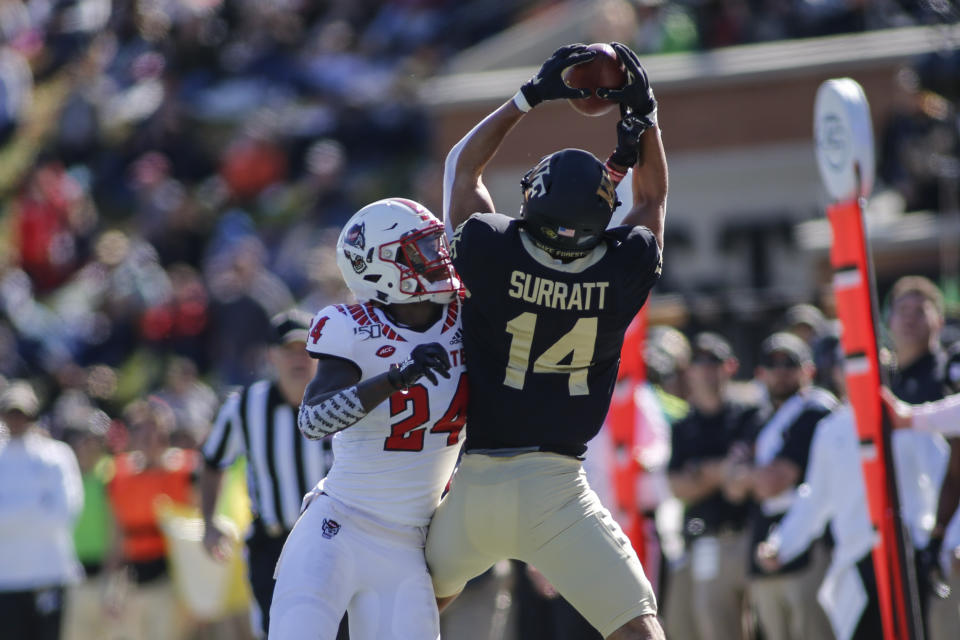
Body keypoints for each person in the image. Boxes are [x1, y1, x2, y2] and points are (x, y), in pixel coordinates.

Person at [424, 42, 667, 640]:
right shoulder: (621, 268)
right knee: (639, 632)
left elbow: (462, 167)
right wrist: (646, 115)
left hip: (472, 486)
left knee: (402, 617)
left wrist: (529, 95)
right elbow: (652, 199)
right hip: (557, 492)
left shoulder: (489, 249)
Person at [269, 197, 467, 640]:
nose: (437, 258)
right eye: (421, 250)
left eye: (436, 246)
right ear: (381, 266)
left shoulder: (466, 319)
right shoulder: (351, 325)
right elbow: (314, 419)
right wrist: (398, 379)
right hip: (337, 526)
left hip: (408, 544)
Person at [200, 309, 338, 639]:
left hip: (334, 540)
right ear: (271, 356)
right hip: (275, 544)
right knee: (280, 630)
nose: (299, 359)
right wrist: (209, 521)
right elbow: (212, 461)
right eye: (289, 350)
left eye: (306, 349)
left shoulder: (342, 398)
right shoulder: (245, 406)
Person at [727, 332, 837, 640]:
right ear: (759, 373)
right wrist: (752, 476)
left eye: (789, 364)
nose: (779, 372)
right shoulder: (758, 419)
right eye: (770, 365)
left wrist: (746, 473)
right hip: (764, 548)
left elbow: (773, 482)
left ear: (808, 369)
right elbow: (731, 487)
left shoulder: (816, 412)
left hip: (807, 550)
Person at [667, 332, 761, 640]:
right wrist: (723, 470)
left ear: (731, 366)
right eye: (699, 362)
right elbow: (678, 487)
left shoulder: (749, 415)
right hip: (706, 539)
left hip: (750, 536)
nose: (706, 369)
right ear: (689, 370)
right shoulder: (683, 425)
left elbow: (745, 480)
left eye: (714, 361)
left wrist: (700, 472)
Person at [105, 397, 198, 640]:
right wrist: (111, 585)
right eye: (141, 432)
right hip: (135, 577)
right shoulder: (120, 476)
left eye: (154, 433)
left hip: (173, 576)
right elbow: (117, 535)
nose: (148, 440)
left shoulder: (186, 472)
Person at [0, 380, 83, 640]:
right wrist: (36, 506)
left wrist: (10, 512)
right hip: (6, 579)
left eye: (22, 414)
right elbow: (47, 513)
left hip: (49, 575)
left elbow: (65, 513)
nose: (17, 420)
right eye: (11, 413)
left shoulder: (57, 455)